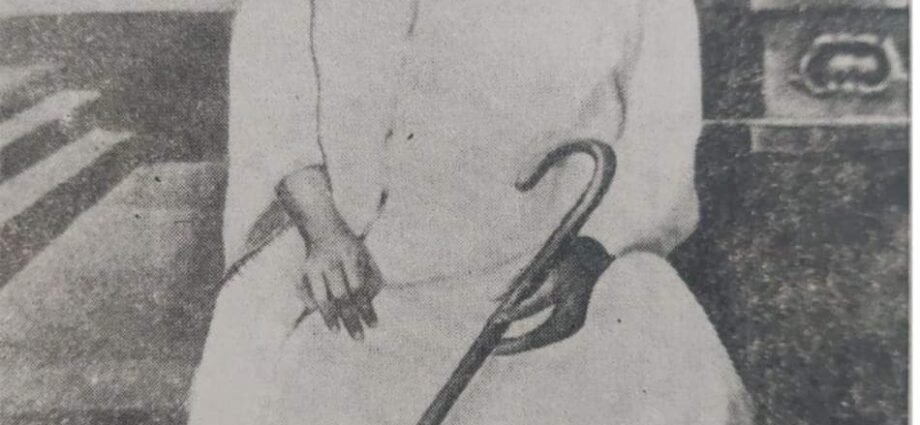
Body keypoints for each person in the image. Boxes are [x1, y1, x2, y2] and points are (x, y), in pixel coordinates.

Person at [188, 0, 753, 423]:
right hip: (362, 255)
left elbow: (661, 135)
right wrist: (323, 227)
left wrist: (590, 252)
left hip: (555, 259)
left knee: (660, 358)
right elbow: (274, 87)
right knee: (285, 375)